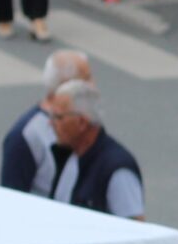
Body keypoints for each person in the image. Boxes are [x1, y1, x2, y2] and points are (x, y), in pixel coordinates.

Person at [43, 79, 143, 219]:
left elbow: (134, 226)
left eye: (58, 117)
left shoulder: (117, 170)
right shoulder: (69, 155)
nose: (50, 123)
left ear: (81, 123)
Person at [0, 49, 91, 196]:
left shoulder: (83, 121)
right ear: (67, 85)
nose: (93, 85)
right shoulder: (25, 136)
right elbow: (11, 197)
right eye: (87, 78)